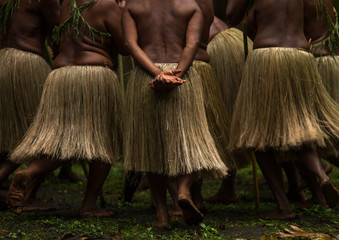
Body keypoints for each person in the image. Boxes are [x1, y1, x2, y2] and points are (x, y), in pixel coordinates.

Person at [7, 0, 126, 217]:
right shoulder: (108, 5)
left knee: (60, 141)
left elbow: (56, 37)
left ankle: (30, 172)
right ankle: (89, 205)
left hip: (60, 76)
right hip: (93, 76)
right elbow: (124, 47)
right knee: (104, 141)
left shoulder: (67, 4)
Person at [227, 0, 339, 219]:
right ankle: (320, 176)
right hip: (299, 58)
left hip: (266, 59)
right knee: (298, 129)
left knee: (258, 137)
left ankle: (283, 206)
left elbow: (244, 25)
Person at [123, 0, 228, 227]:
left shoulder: (133, 6)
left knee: (152, 146)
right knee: (190, 140)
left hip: (146, 75)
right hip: (183, 74)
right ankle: (183, 191)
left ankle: (162, 214)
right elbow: (192, 45)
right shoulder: (190, 6)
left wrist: (158, 73)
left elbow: (130, 44)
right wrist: (176, 73)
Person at [0, 0, 59, 208]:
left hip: (3, 60)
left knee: (8, 131)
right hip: (27, 64)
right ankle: (27, 196)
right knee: (38, 134)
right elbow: (58, 32)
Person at [204, 15, 254, 204]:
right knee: (231, 116)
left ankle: (195, 192)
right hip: (236, 42)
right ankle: (227, 188)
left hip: (218, 50)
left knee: (217, 117)